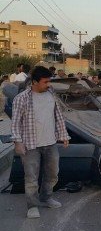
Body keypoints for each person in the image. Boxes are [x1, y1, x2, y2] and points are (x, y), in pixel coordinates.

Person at [11, 66, 70, 219]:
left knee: (52, 174)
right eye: (45, 82)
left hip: (50, 143)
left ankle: (46, 197)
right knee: (31, 177)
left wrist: (63, 135)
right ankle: (32, 206)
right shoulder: (22, 98)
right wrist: (17, 142)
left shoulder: (51, 94)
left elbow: (58, 116)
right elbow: (16, 122)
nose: (48, 84)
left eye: (49, 81)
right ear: (35, 82)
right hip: (30, 144)